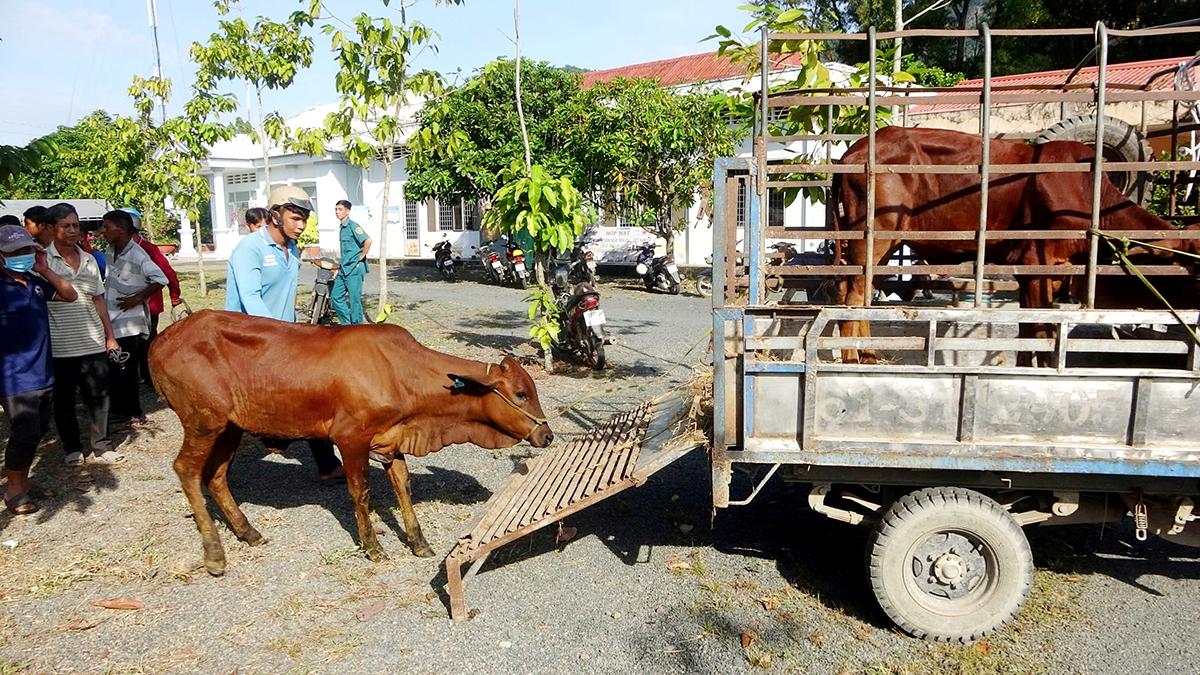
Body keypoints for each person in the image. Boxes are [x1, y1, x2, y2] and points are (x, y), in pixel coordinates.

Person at [226, 187, 345, 484]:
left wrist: (296, 334)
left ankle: (327, 464)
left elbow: (284, 299)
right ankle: (208, 479)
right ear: (275, 215)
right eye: (295, 218)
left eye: (304, 219)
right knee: (232, 414)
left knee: (309, 396)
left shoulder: (291, 249)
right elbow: (250, 298)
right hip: (248, 340)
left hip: (282, 337)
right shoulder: (250, 249)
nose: (301, 226)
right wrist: (280, 337)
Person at [0, 224, 79, 515]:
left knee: (39, 430)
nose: (21, 255)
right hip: (13, 375)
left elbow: (70, 295)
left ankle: (18, 480)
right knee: (25, 432)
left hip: (43, 371)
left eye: (26, 250)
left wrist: (45, 269)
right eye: (13, 252)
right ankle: (16, 491)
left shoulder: (34, 281)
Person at [40, 204, 124, 465]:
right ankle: (72, 448)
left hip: (92, 341)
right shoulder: (40, 261)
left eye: (76, 225)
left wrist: (110, 336)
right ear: (52, 229)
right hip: (60, 345)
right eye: (66, 226)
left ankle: (102, 446)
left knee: (98, 396)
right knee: (64, 399)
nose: (73, 230)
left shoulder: (88, 259)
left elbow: (98, 300)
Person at [100, 210, 167, 426]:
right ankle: (120, 409)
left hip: (130, 323)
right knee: (115, 367)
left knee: (126, 368)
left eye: (106, 227)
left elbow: (160, 278)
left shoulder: (137, 255)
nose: (103, 231)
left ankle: (133, 412)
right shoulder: (111, 251)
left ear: (121, 229)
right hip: (113, 319)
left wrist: (137, 298)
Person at [122, 208, 182, 386]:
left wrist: (174, 295)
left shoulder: (148, 249)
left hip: (150, 305)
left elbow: (167, 273)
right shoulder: (115, 250)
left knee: (147, 341)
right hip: (126, 305)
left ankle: (150, 377)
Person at [331, 199, 371, 325]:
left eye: (340, 209)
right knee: (335, 296)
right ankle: (347, 325)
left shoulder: (353, 226)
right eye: (336, 209)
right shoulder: (342, 228)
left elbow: (368, 241)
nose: (337, 212)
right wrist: (338, 268)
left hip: (354, 269)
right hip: (344, 268)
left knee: (354, 301)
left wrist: (361, 257)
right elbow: (345, 252)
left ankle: (357, 328)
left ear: (347, 211)